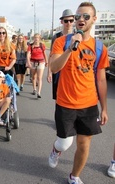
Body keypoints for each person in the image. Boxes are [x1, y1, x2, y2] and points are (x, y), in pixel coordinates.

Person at [48, 2, 109, 184]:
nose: (81, 20)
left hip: (89, 104)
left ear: (94, 19)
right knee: (65, 143)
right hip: (65, 103)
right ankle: (56, 150)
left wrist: (104, 108)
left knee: (84, 144)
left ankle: (74, 176)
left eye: (86, 16)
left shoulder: (100, 48)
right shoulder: (61, 42)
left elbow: (101, 79)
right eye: (78, 17)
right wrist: (70, 47)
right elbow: (53, 67)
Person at [47, 9, 74, 100]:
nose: (68, 23)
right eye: (66, 21)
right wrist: (49, 72)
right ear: (62, 22)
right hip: (58, 71)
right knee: (58, 97)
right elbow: (51, 55)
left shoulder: (77, 36)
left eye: (71, 20)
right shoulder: (56, 37)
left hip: (72, 72)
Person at [26, 33, 48, 98]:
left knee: (39, 78)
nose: (36, 39)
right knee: (33, 77)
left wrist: (46, 61)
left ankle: (39, 92)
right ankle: (34, 89)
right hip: (33, 62)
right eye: (35, 37)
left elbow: (44, 54)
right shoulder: (30, 46)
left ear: (39, 38)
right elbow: (28, 54)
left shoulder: (42, 45)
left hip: (41, 62)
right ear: (33, 38)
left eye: (37, 37)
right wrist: (28, 62)